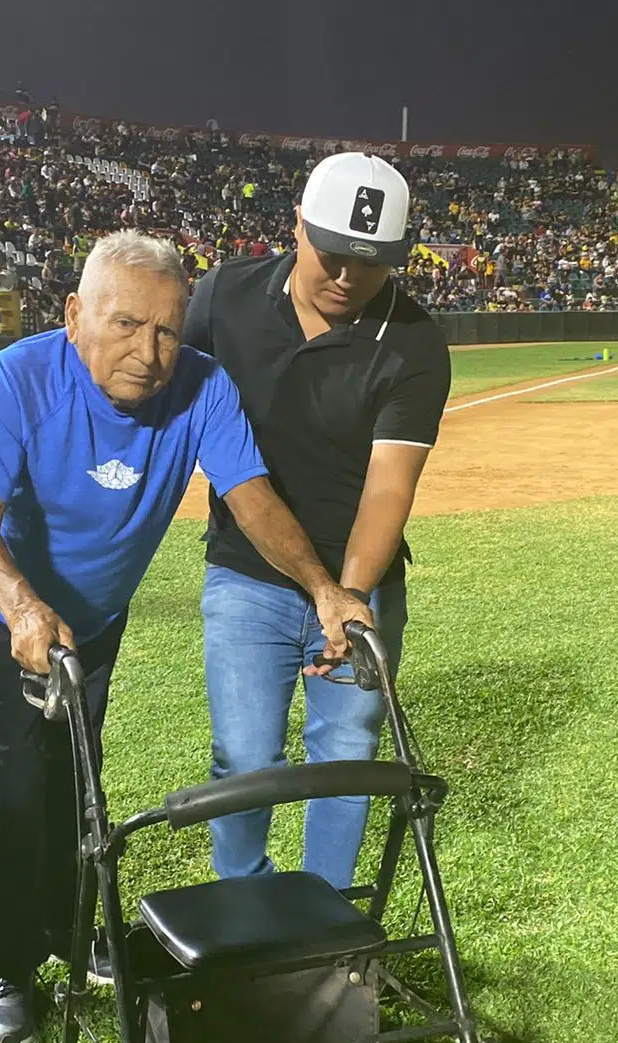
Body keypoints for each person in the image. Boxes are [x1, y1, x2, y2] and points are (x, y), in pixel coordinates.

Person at [0, 230, 371, 1043]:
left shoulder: (202, 389)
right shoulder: (18, 378)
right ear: (74, 316)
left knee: (74, 782)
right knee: (8, 789)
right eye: (126, 324)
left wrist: (323, 588)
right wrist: (23, 610)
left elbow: (251, 496)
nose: (149, 350)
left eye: (168, 329)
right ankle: (9, 965)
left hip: (90, 621)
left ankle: (72, 931)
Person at [182, 152, 452, 891]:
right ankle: (246, 906)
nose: (345, 278)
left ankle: (323, 921)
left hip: (361, 585)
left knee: (348, 753)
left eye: (369, 265)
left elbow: (388, 490)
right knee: (243, 755)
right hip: (246, 573)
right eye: (330, 255)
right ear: (296, 225)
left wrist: (351, 597)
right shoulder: (225, 295)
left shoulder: (414, 342)